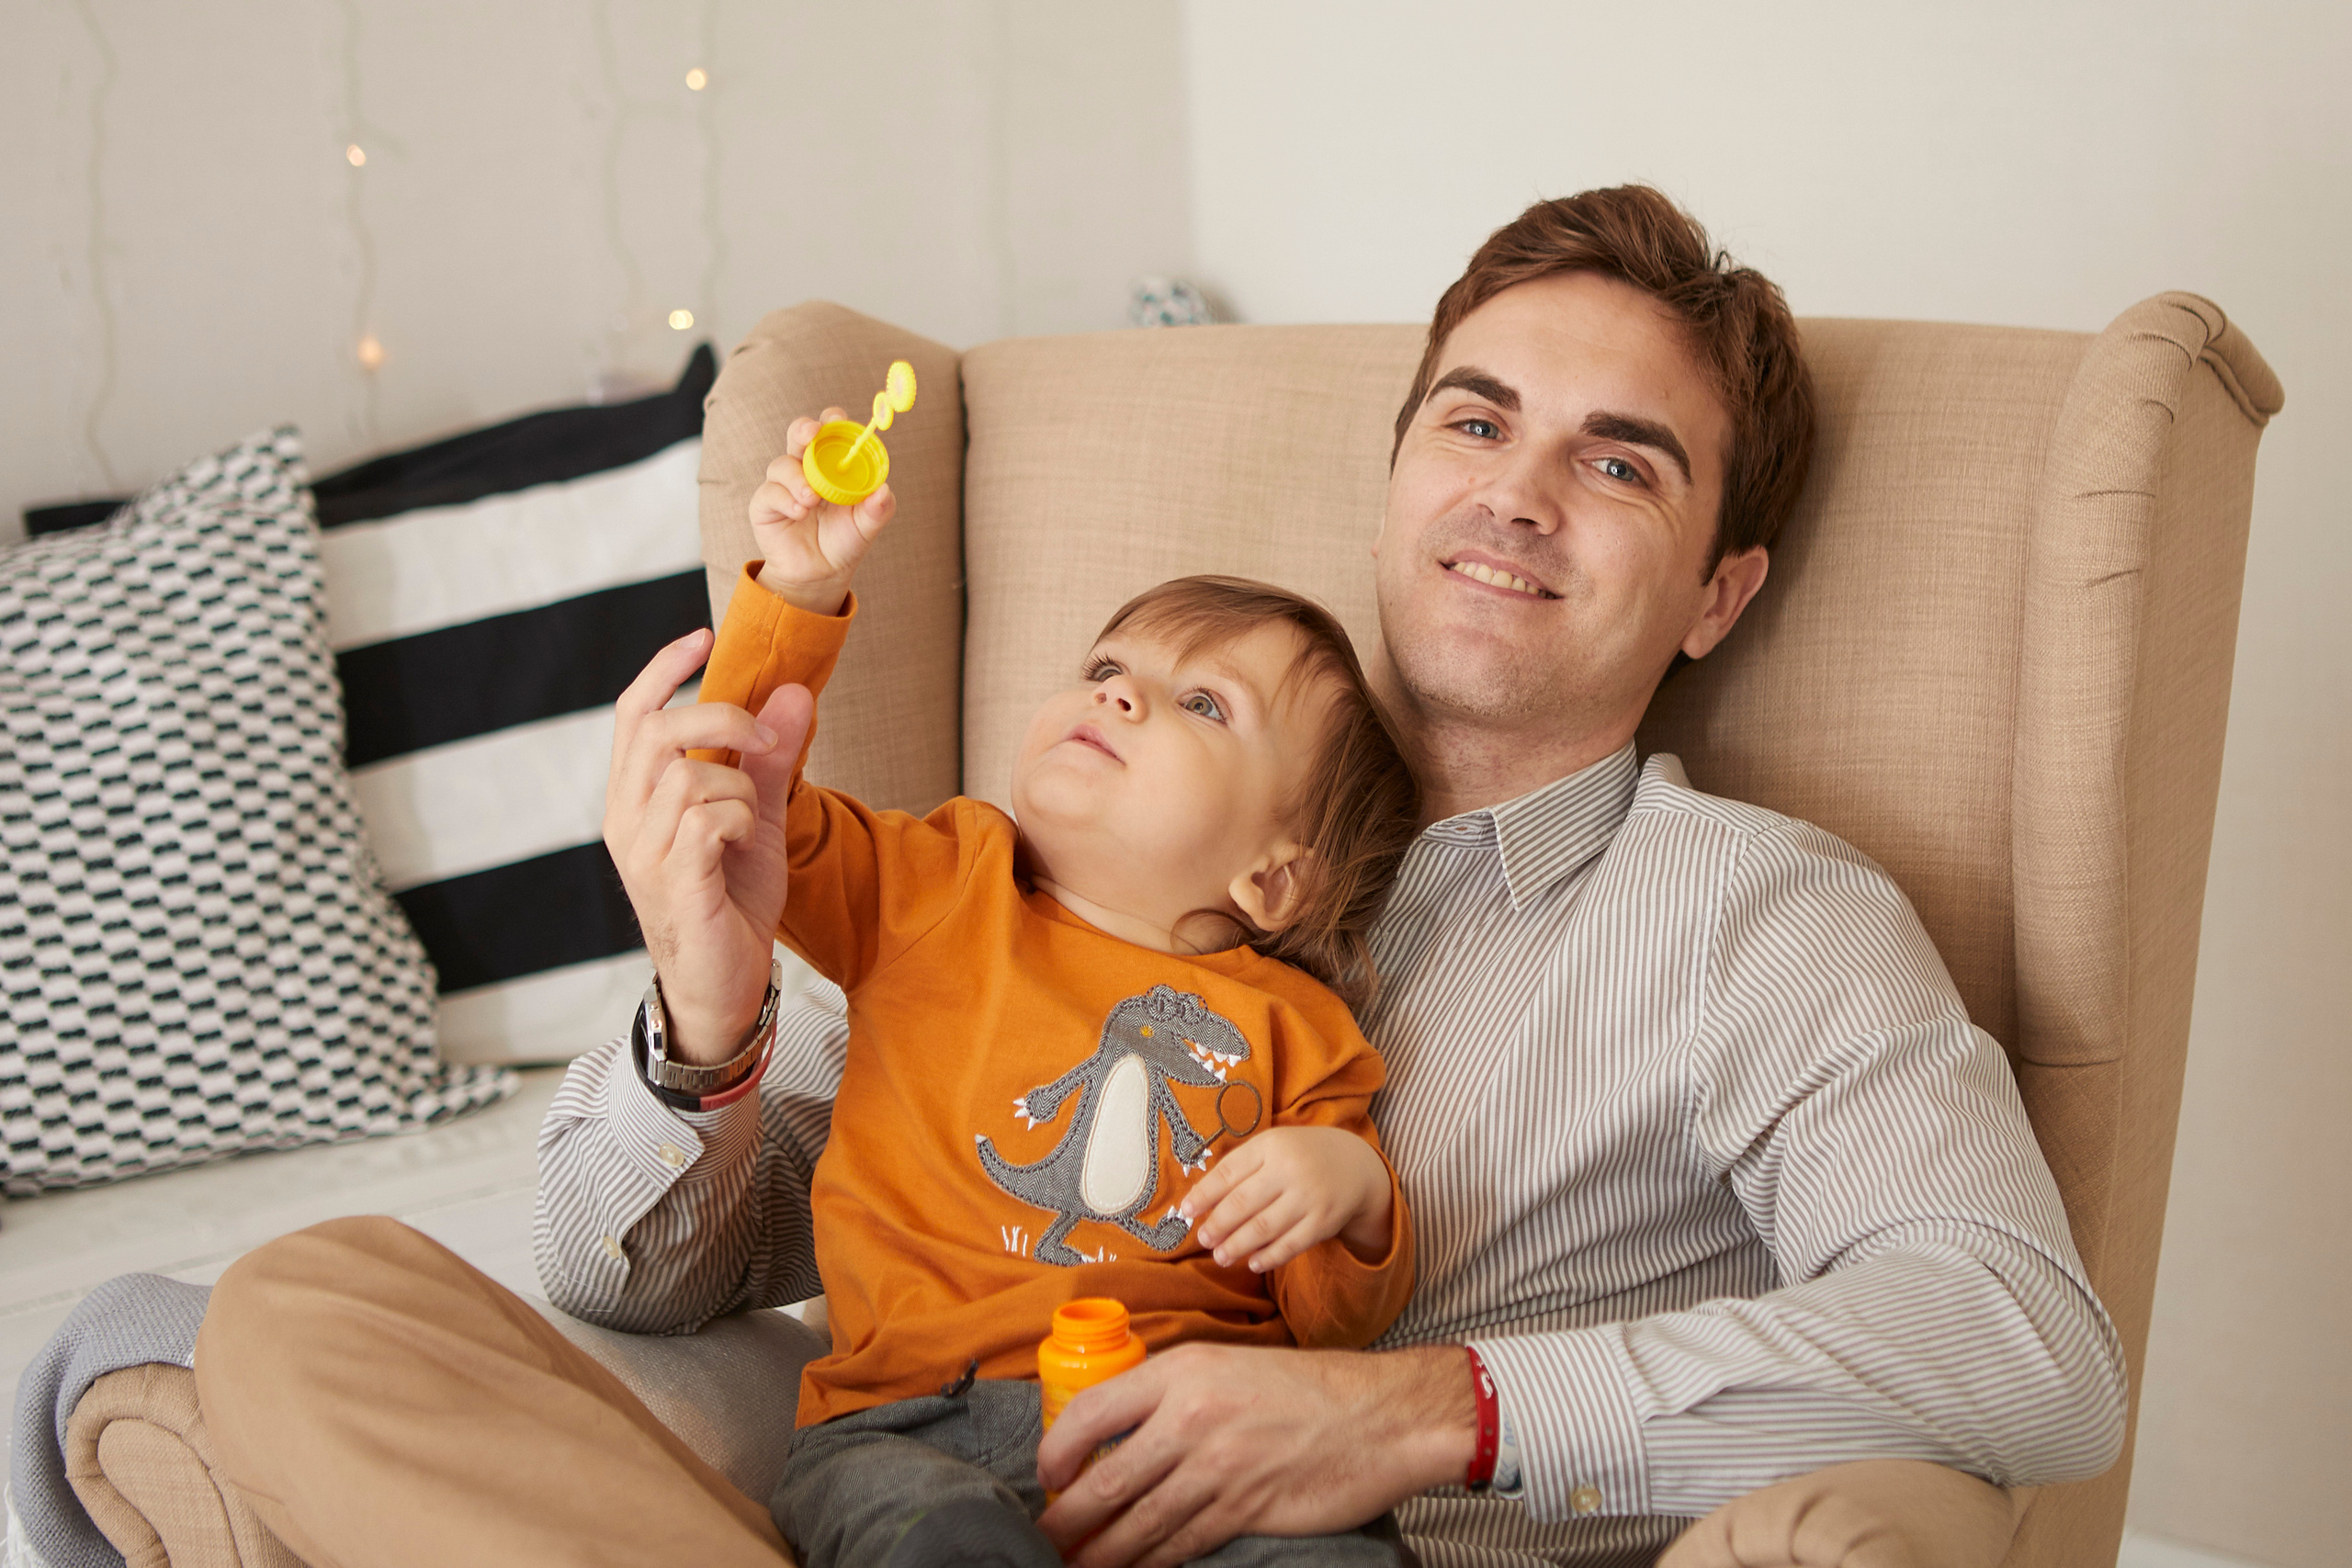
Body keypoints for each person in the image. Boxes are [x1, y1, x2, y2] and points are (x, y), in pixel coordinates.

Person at [195, 185, 2125, 1568]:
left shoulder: (1760, 921)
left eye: (1620, 467)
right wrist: (704, 1009)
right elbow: (647, 1271)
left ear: (1718, 594)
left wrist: (1419, 1407)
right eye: (1474, 419)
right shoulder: (1048, 854)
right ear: (1395, 476)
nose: (1516, 492)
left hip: (1367, 1541)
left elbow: (2022, 1351)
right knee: (294, 1310)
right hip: (931, 1477)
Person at [686, 485, 1422, 1565]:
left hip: (1194, 1442)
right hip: (908, 1423)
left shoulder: (1298, 1029)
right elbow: (735, 797)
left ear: (1272, 879)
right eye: (1107, 669)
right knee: (930, 1541)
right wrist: (797, 594)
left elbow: (1332, 1321)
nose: (1121, 697)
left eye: (1204, 704)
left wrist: (1353, 1198)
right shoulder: (934, 882)